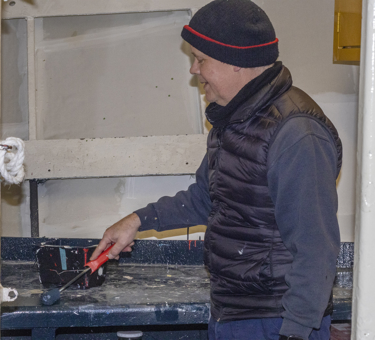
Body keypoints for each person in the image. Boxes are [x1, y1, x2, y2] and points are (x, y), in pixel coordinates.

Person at [90, 1, 342, 339]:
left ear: (236, 62)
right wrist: (136, 221)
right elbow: (207, 197)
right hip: (232, 312)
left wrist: (294, 332)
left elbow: (316, 249)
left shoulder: (297, 134)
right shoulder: (236, 118)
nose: (194, 70)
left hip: (275, 320)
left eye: (201, 59)